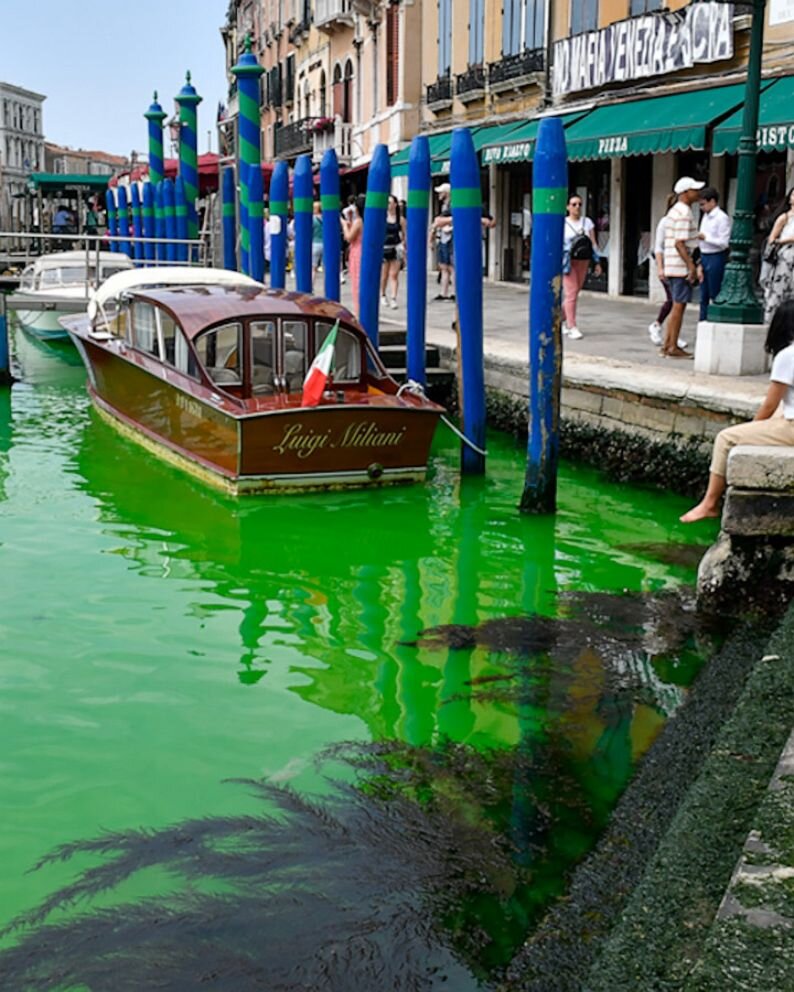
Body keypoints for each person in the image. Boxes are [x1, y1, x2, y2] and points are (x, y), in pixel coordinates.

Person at [681, 298, 794, 522]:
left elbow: (769, 404)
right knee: (781, 410)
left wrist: (752, 428)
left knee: (726, 438)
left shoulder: (788, 356)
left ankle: (709, 503)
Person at [661, 177, 703, 358]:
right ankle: (672, 346)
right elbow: (680, 243)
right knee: (679, 306)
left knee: (676, 305)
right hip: (679, 266)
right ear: (686, 193)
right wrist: (690, 265)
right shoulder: (684, 213)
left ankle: (668, 344)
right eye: (694, 190)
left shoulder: (674, 211)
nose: (698, 193)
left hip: (672, 264)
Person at [648, 193, 687, 350]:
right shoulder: (664, 222)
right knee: (673, 299)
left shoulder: (681, 222)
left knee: (677, 301)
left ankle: (672, 334)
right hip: (667, 265)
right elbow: (658, 247)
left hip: (678, 266)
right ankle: (658, 326)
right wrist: (660, 267)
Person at [562, 194, 602, 339]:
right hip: (568, 261)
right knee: (571, 293)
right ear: (567, 207)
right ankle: (571, 326)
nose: (577, 207)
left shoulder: (587, 222)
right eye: (574, 204)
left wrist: (597, 262)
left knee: (574, 293)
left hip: (583, 260)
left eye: (579, 204)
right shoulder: (563, 223)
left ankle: (559, 319)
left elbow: (593, 243)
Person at [696, 186, 732, 321]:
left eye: (703, 204)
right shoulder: (705, 217)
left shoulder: (722, 218)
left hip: (716, 256)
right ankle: (703, 320)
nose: (702, 208)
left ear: (712, 201)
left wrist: (706, 238)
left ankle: (714, 320)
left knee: (715, 291)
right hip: (704, 255)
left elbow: (724, 243)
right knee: (703, 294)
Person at [762, 186, 794, 324]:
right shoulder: (784, 217)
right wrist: (787, 240)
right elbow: (772, 239)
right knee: (780, 290)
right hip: (785, 257)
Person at [380, 194, 404, 310]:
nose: (389, 205)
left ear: (395, 204)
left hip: (396, 246)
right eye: (387, 203)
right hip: (384, 247)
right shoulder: (382, 217)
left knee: (394, 274)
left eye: (390, 203)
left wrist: (404, 247)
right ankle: (383, 295)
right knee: (384, 274)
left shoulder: (400, 219)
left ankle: (393, 297)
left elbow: (404, 233)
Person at [431, 182, 454, 301]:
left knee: (451, 267)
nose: (439, 194)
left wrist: (440, 222)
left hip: (450, 236)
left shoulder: (452, 205)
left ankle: (455, 292)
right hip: (444, 237)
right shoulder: (444, 206)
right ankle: (443, 292)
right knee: (444, 266)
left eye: (441, 192)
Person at [341, 194, 364, 313]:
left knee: (357, 281)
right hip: (365, 250)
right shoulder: (368, 220)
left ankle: (358, 310)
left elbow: (349, 237)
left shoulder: (359, 221)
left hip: (357, 251)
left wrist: (345, 226)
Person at [311, 200, 323, 286]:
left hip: (315, 243)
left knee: (313, 268)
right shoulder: (325, 218)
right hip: (325, 244)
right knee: (327, 267)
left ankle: (311, 286)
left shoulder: (312, 219)